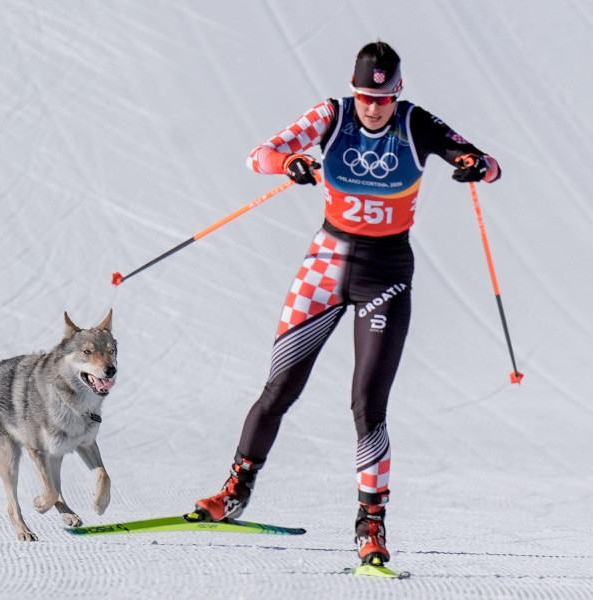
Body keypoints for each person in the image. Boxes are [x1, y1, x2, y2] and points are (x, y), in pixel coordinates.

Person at [193, 41, 501, 566]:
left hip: (385, 275)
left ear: (396, 92)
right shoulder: (332, 115)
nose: (372, 106)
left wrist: (475, 165)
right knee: (278, 389)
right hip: (325, 267)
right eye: (365, 96)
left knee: (367, 406)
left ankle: (371, 525)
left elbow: (489, 164)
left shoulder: (414, 122)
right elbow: (258, 155)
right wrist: (290, 160)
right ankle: (235, 493)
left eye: (381, 97)